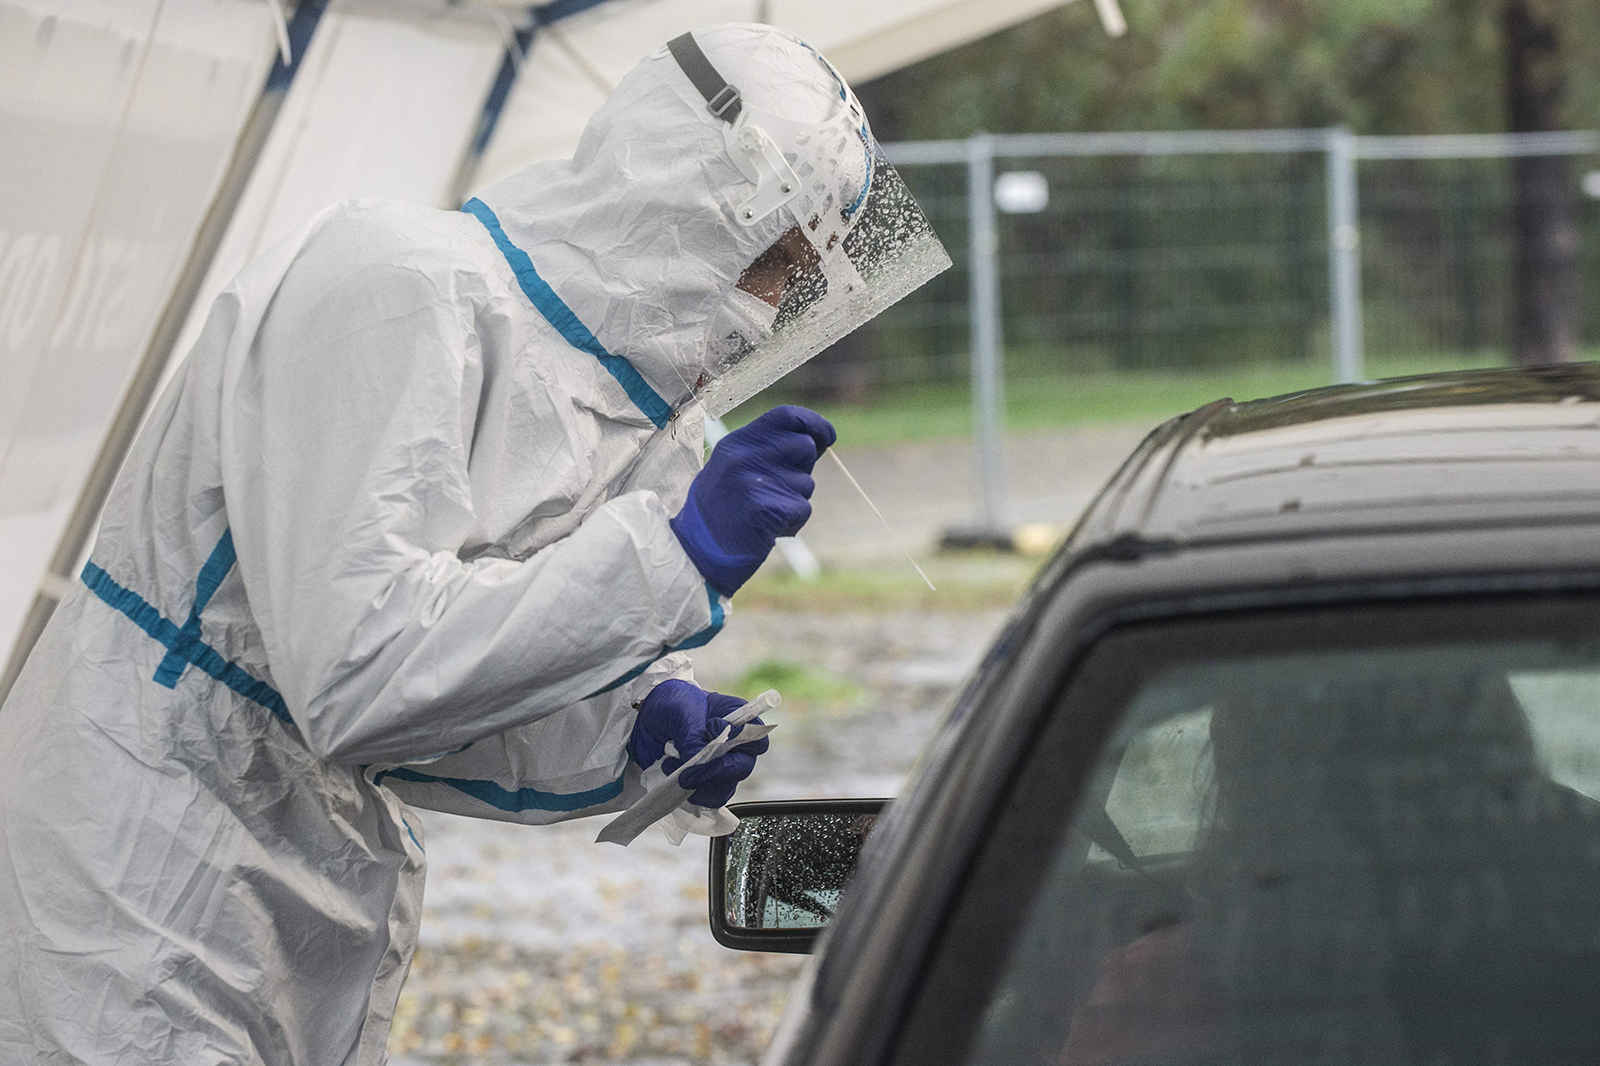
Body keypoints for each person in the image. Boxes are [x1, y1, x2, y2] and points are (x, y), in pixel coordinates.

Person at [0, 23, 944, 1064]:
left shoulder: (595, 400)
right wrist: (670, 561)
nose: (770, 308)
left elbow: (435, 696)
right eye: (774, 261)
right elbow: (360, 677)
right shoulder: (400, 288)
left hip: (276, 887)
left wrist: (623, 732)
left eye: (795, 275)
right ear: (692, 197)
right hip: (133, 868)